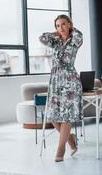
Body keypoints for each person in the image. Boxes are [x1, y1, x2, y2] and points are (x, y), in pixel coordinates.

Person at [39, 14, 83, 162]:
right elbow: (42, 38)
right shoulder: (55, 41)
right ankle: (70, 139)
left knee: (66, 116)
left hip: (70, 81)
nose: (61, 28)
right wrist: (55, 33)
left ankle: (61, 148)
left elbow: (79, 35)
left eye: (64, 24)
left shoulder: (75, 41)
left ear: (70, 24)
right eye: (58, 25)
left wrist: (70, 30)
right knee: (52, 116)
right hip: (55, 81)